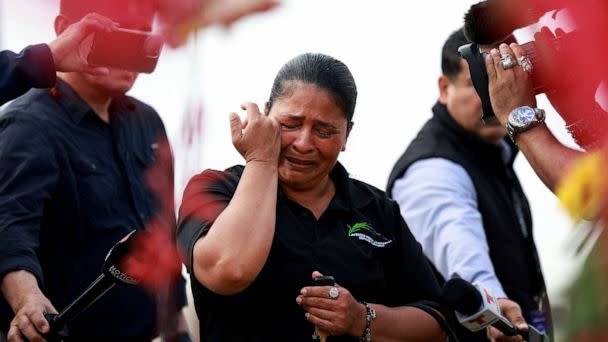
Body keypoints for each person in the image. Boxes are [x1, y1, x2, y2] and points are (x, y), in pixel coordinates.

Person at [177, 52, 451, 341]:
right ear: (267, 115)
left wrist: (361, 318)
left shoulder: (377, 210)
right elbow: (228, 270)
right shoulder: (214, 189)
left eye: (324, 130)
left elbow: (436, 323)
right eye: (290, 124)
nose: (304, 143)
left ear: (347, 135)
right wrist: (261, 160)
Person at [0, 1, 189, 341]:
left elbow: (162, 232)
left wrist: (176, 321)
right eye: (114, 35)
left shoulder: (148, 123)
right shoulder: (26, 125)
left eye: (142, 37)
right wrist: (27, 299)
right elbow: (10, 229)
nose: (130, 50)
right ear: (63, 29)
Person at [386, 29, 550, 342]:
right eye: (478, 83)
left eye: (505, 77)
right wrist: (495, 304)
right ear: (444, 88)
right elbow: (458, 244)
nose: (495, 95)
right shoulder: (431, 169)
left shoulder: (496, 150)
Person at [0, 12, 118, 106]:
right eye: (120, 36)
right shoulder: (26, 124)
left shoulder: (134, 115)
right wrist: (42, 59)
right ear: (63, 28)